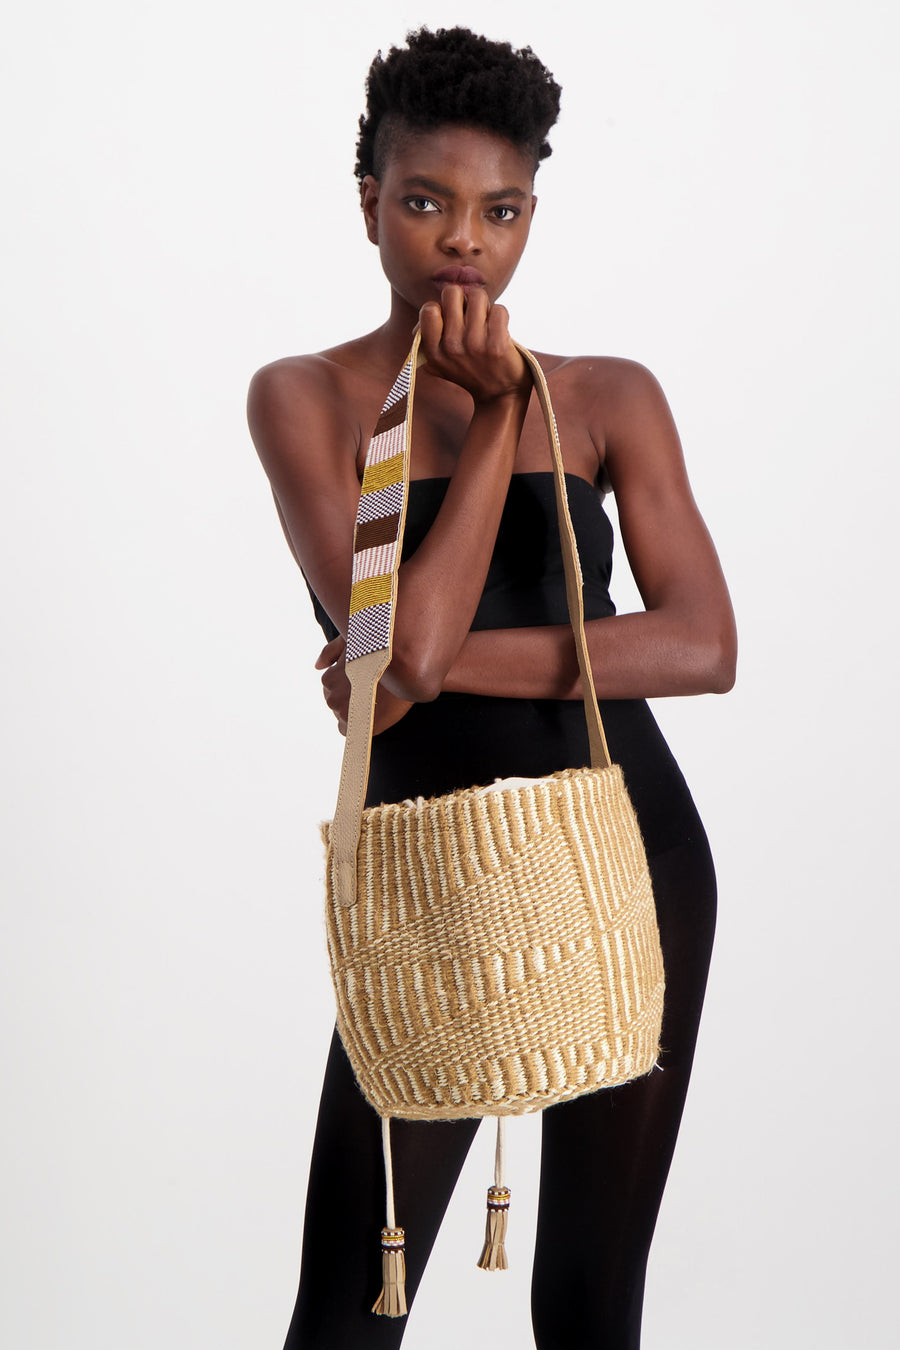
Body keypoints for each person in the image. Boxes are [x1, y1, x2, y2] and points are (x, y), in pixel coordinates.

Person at [247, 26, 736, 1350]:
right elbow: (398, 653)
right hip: (435, 883)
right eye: (426, 202)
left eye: (501, 211)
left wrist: (421, 668)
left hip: (630, 857)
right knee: (350, 1310)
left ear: (530, 216)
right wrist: (492, 427)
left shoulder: (609, 395)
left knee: (589, 1304)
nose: (465, 242)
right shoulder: (308, 399)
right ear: (369, 202)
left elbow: (703, 646)